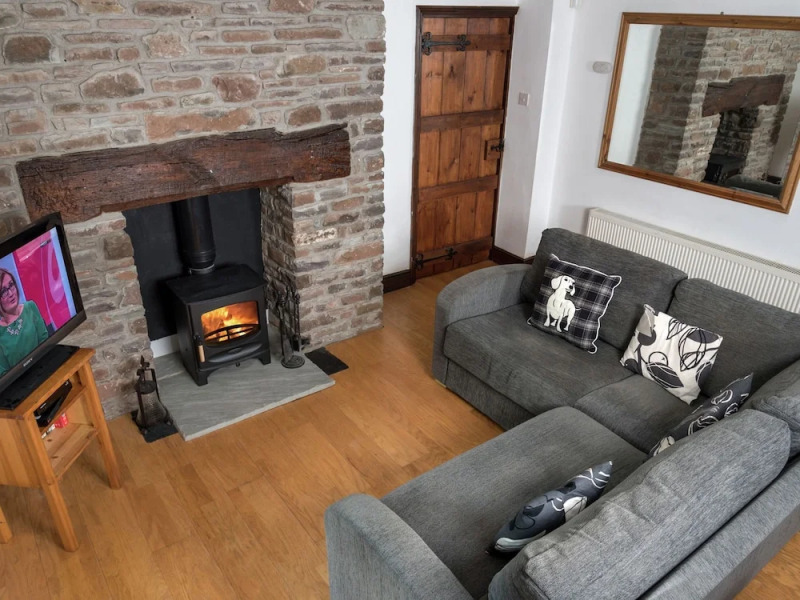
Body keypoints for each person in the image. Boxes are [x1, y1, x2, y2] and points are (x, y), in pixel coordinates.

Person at [0, 268, 49, 376]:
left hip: (44, 366)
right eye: (3, 291)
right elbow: (3, 373)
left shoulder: (30, 307)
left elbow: (44, 339)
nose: (10, 293)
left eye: (11, 285)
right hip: (20, 384)